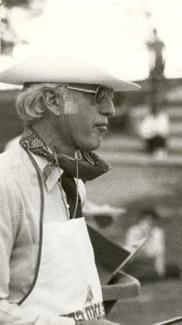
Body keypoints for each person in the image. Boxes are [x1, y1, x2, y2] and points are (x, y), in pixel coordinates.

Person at [0, 54, 140, 325]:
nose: (110, 109)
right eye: (98, 96)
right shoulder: (6, 183)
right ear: (52, 101)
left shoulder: (73, 180)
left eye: (112, 98)